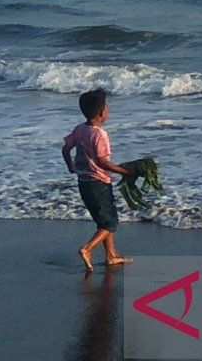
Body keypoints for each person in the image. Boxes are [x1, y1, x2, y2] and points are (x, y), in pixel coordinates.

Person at [62, 88, 132, 271]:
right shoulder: (100, 134)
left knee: (103, 221)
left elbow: (65, 149)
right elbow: (103, 162)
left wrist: (71, 166)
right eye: (106, 108)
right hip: (99, 183)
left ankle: (111, 255)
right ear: (101, 113)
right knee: (110, 223)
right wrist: (124, 172)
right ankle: (87, 249)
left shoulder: (79, 129)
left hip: (83, 182)